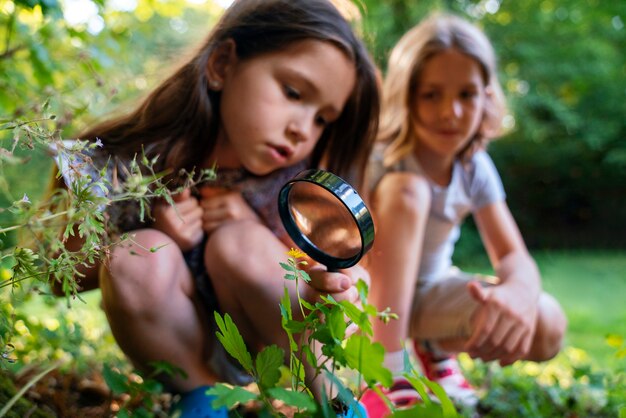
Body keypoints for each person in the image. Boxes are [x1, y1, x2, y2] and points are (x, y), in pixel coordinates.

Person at [53, 0, 380, 416]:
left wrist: (272, 243)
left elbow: (334, 275)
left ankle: (334, 401)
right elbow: (58, 278)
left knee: (239, 241)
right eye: (293, 93)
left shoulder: (301, 186)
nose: (302, 128)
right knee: (138, 254)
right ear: (223, 65)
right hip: (176, 340)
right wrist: (157, 231)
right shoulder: (130, 164)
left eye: (322, 119)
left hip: (262, 340)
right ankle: (204, 399)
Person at [362, 13, 567, 415]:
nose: (451, 112)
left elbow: (512, 255)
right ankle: (385, 370)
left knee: (547, 322)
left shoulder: (474, 167)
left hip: (433, 296)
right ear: (406, 94)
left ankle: (432, 348)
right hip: (373, 305)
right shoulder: (379, 160)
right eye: (431, 94)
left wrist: (517, 294)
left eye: (467, 95)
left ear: (487, 96)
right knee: (409, 191)